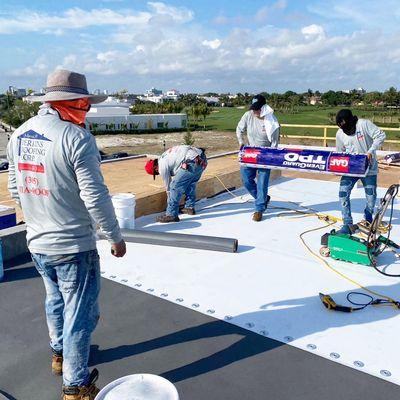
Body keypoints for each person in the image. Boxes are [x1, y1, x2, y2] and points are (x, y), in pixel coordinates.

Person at [7, 69, 126, 400]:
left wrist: (42, 212)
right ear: (71, 102)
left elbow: (16, 188)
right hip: (73, 246)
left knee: (55, 300)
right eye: (86, 104)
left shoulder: (19, 134)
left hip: (38, 244)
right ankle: (76, 386)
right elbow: (95, 196)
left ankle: (59, 354)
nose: (87, 110)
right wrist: (114, 236)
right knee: (81, 315)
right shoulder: (76, 139)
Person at [335, 109, 386, 234]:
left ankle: (368, 219)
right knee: (343, 194)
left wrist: (370, 151)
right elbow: (339, 152)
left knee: (371, 196)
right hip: (351, 169)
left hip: (369, 168)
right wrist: (337, 166)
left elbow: (381, 135)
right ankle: (347, 223)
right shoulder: (340, 134)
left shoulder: (363, 124)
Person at [236, 94, 280, 221]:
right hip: (249, 152)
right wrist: (241, 142)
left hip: (265, 153)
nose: (255, 111)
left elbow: (275, 141)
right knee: (246, 180)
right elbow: (239, 129)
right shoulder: (248, 115)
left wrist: (272, 155)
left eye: (257, 108)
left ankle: (259, 209)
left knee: (262, 182)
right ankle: (263, 199)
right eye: (253, 108)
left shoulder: (272, 121)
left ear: (264, 107)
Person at [144, 145, 207, 223]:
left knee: (174, 186)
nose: (158, 173)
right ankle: (189, 207)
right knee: (190, 184)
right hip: (201, 159)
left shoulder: (162, 166)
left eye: (156, 173)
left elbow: (169, 188)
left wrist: (169, 204)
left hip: (192, 161)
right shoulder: (165, 157)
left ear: (155, 168)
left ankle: (171, 214)